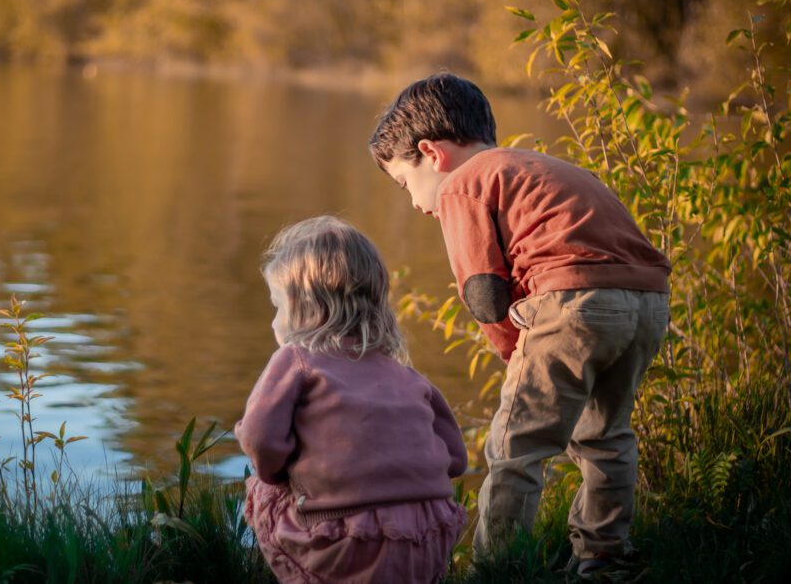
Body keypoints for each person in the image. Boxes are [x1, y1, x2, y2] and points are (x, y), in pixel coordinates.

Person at [368, 73, 671, 577]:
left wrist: (517, 356)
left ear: (432, 152)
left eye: (406, 183)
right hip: (647, 302)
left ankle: (498, 567)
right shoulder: (541, 166)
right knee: (607, 436)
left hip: (572, 302)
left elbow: (484, 295)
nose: (417, 203)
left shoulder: (464, 183)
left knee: (515, 447)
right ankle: (605, 559)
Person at [235, 215, 469, 584]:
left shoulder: (295, 360)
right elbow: (456, 460)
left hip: (341, 548)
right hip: (427, 542)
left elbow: (259, 439)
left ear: (307, 308)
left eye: (277, 306)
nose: (273, 322)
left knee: (265, 486)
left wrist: (281, 473)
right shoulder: (409, 378)